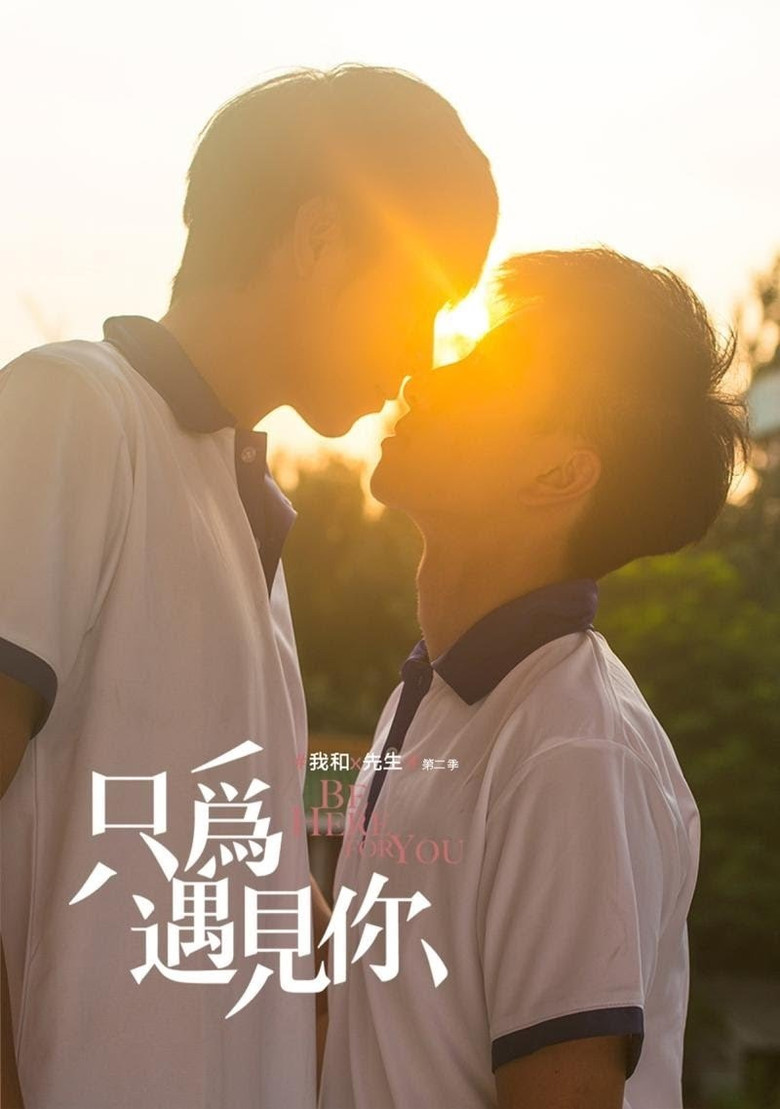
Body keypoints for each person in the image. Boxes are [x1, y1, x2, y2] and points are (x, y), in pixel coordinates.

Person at [0, 65, 498, 1109]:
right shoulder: (71, 408)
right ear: (320, 238)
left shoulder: (235, 501)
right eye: (421, 299)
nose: (422, 355)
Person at [318, 248, 747, 1109]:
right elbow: (378, 1032)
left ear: (559, 473)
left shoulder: (573, 751)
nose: (423, 380)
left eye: (483, 375)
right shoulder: (434, 695)